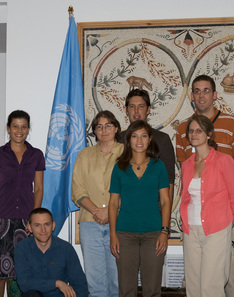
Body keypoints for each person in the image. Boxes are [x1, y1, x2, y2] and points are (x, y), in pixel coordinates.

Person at [176, 75, 234, 297]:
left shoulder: (231, 124)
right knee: (195, 283)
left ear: (215, 94)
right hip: (194, 223)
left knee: (226, 278)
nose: (201, 95)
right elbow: (184, 180)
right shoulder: (181, 129)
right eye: (197, 91)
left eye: (206, 90)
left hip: (222, 218)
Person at [0, 110, 45, 297]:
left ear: (28, 129)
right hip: (1, 219)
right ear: (9, 128)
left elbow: (39, 189)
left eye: (24, 126)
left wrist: (34, 220)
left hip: (25, 221)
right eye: (15, 126)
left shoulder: (36, 155)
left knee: (19, 273)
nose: (20, 130)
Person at [109, 120, 171, 297]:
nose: (139, 140)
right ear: (128, 140)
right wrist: (113, 234)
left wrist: (164, 232)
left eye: (144, 136)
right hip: (124, 235)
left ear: (150, 139)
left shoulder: (158, 166)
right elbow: (113, 204)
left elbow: (166, 201)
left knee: (152, 290)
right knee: (126, 290)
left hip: (153, 234)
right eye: (134, 136)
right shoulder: (119, 167)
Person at [71, 110, 123, 297]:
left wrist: (108, 212)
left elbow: (131, 189)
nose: (104, 130)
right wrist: (96, 211)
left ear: (116, 128)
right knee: (95, 283)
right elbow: (77, 189)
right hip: (89, 223)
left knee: (118, 281)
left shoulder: (127, 154)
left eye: (108, 125)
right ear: (94, 131)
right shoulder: (84, 155)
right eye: (99, 126)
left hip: (118, 224)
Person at [14, 208, 88, 297]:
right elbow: (24, 284)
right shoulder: (22, 248)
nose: (43, 230)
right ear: (29, 227)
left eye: (47, 224)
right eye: (37, 225)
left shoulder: (66, 248)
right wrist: (56, 283)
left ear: (53, 226)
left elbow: (80, 284)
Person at [120, 89, 175, 201]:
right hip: (124, 209)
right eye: (131, 106)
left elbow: (169, 181)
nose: (136, 111)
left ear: (148, 109)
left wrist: (165, 215)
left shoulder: (162, 139)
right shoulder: (119, 139)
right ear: (126, 110)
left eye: (141, 106)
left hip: (153, 208)